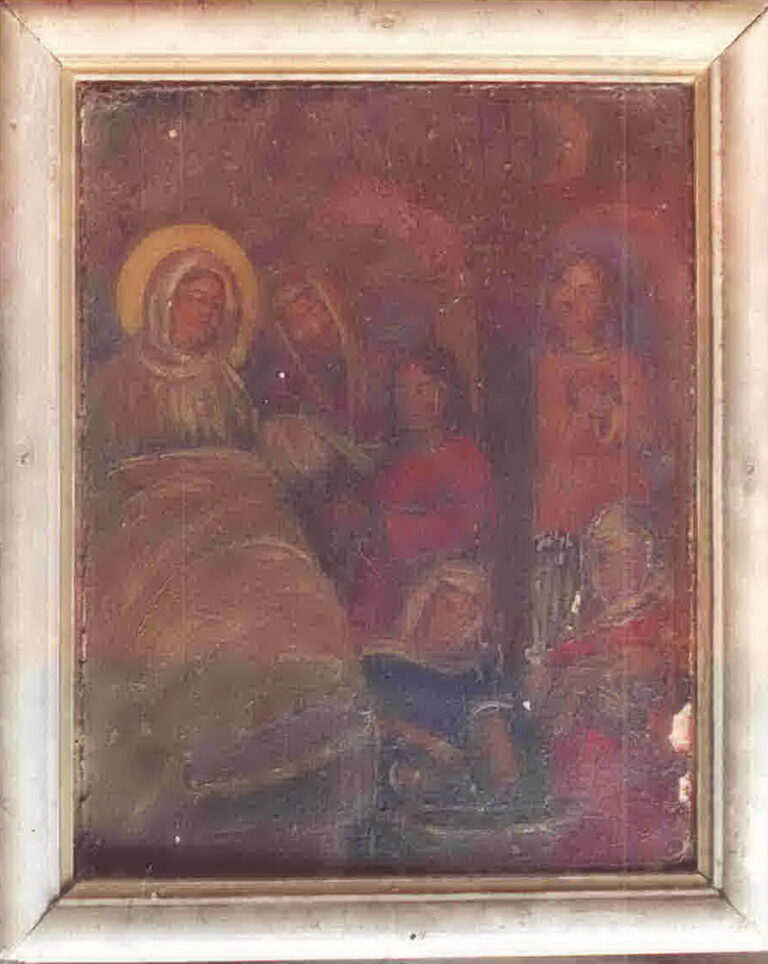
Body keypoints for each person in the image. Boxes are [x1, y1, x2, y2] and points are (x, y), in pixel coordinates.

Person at [534, 503, 693, 869]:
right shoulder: (591, 622)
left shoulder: (665, 620)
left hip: (630, 776)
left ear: (646, 558)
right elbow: (545, 694)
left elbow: (652, 673)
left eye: (612, 557)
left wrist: (579, 677)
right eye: (595, 558)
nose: (600, 571)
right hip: (578, 777)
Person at [530, 253, 661, 655]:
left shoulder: (627, 366)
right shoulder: (548, 368)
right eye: (565, 288)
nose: (572, 300)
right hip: (564, 515)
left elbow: (646, 436)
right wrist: (588, 413)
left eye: (586, 291)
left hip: (616, 512)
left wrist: (610, 413)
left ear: (606, 302)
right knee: (560, 624)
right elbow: (553, 444)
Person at [350, 345, 496, 636]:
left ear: (445, 394)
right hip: (383, 591)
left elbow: (469, 529)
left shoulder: (464, 459)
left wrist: (391, 527)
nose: (411, 401)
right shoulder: (395, 458)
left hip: (436, 597)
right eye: (402, 391)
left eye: (423, 389)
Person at [362, 562, 522, 815]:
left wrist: (505, 781)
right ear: (424, 605)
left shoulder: (476, 674)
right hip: (387, 792)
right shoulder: (381, 662)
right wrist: (425, 742)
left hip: (455, 800)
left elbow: (494, 734)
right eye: (448, 608)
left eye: (469, 614)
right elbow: (367, 720)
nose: (457, 621)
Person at [88, 244, 256, 474]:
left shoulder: (227, 385)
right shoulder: (117, 381)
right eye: (197, 300)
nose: (207, 313)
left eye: (216, 306)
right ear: (166, 301)